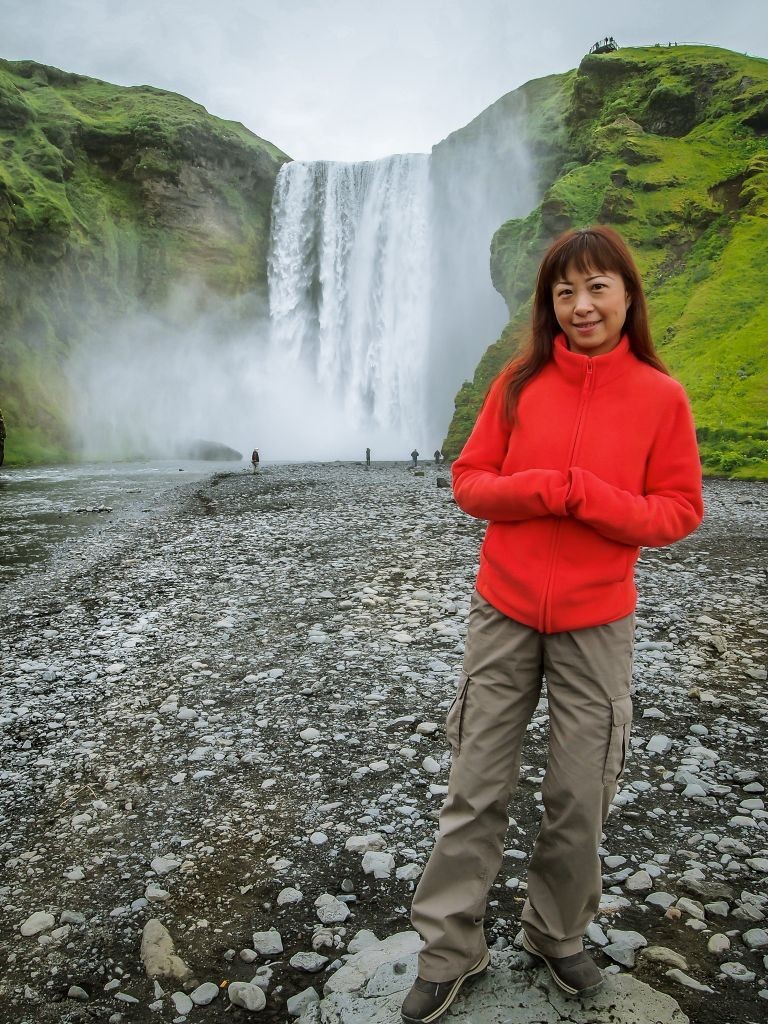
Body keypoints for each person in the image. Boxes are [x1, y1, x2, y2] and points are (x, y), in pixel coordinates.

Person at [401, 226, 704, 1023]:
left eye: (597, 287)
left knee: (579, 791)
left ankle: (556, 932)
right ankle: (449, 948)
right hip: (502, 610)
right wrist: (542, 488)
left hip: (597, 620)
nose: (580, 305)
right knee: (475, 783)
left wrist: (593, 498)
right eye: (564, 292)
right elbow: (469, 481)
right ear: (549, 304)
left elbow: (679, 510)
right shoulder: (517, 382)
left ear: (628, 296)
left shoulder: (660, 397)